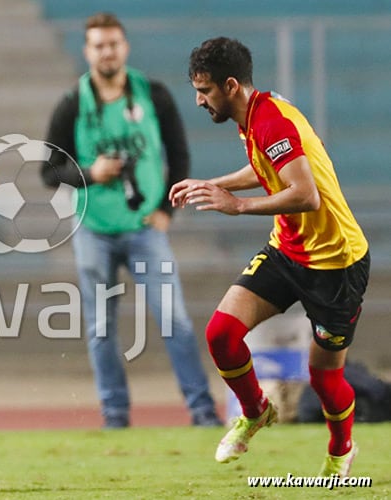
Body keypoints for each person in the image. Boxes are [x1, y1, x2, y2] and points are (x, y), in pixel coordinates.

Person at [170, 37, 369, 477]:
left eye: (205, 90)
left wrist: (236, 205)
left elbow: (306, 195)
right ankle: (256, 410)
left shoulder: (271, 121)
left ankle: (341, 451)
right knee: (221, 333)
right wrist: (212, 184)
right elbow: (267, 169)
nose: (199, 100)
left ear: (232, 85)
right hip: (287, 250)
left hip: (337, 264)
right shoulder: (255, 113)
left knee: (324, 378)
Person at [41, 12, 221, 428]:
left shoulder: (152, 94)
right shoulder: (72, 103)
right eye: (99, 45)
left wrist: (165, 211)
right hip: (93, 231)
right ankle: (116, 414)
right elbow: (49, 171)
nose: (107, 51)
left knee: (174, 319)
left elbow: (178, 154)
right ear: (87, 52)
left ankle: (202, 411)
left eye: (113, 43)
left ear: (125, 47)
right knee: (101, 329)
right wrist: (90, 173)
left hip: (145, 227)